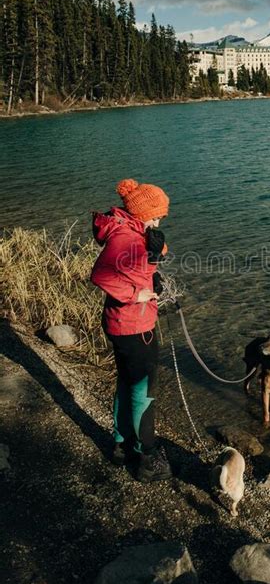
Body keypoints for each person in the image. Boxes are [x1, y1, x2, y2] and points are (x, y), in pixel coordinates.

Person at [90, 178, 172, 482]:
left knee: (126, 384)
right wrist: (135, 295)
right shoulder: (127, 236)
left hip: (120, 323)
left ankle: (121, 446)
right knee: (144, 392)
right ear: (141, 212)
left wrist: (153, 274)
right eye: (157, 214)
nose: (159, 219)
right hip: (135, 327)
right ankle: (146, 457)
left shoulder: (132, 230)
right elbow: (100, 274)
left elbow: (136, 264)